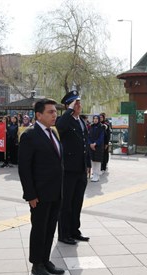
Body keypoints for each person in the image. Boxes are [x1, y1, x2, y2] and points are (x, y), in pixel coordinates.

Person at [18, 98, 65, 275]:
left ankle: (45, 260)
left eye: (55, 111)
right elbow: (24, 168)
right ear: (39, 115)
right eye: (50, 112)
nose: (55, 115)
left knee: (50, 227)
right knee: (39, 229)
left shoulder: (53, 133)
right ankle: (37, 263)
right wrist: (30, 194)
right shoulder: (30, 135)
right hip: (39, 193)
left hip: (56, 192)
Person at [56, 90, 91, 245]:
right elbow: (59, 126)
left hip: (81, 169)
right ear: (69, 105)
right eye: (75, 103)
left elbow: (85, 144)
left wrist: (88, 164)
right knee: (66, 204)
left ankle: (74, 231)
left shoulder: (81, 121)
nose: (79, 105)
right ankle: (64, 234)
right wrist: (69, 110)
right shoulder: (65, 120)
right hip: (68, 169)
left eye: (78, 102)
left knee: (77, 203)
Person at [88, 115, 105, 182]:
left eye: (96, 119)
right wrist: (90, 143)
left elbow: (101, 137)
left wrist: (95, 144)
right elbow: (88, 136)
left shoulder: (102, 127)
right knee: (92, 160)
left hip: (98, 146)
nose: (95, 120)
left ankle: (97, 175)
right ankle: (94, 174)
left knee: (97, 161)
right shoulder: (91, 126)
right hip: (91, 146)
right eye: (94, 118)